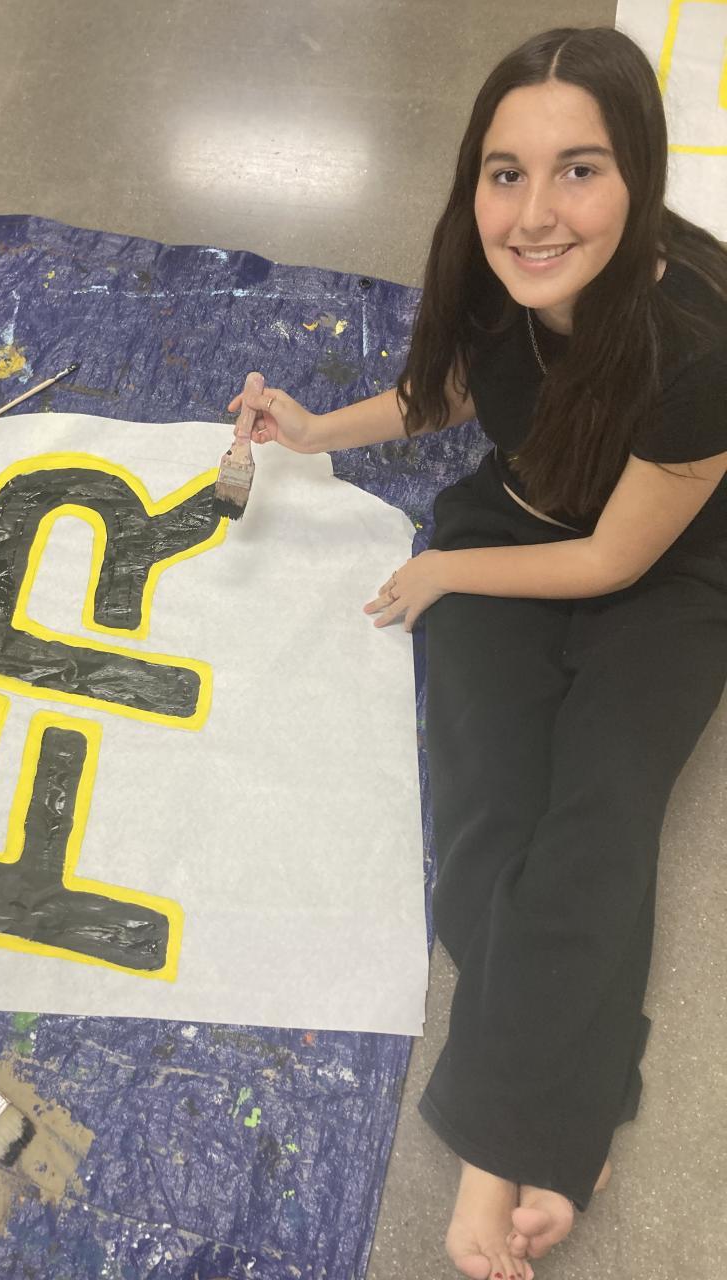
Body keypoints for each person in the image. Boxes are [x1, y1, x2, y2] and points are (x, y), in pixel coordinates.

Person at [227, 25, 727, 1280]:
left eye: (580, 170)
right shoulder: (498, 268)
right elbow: (451, 387)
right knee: (485, 829)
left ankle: (497, 1155)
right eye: (508, 172)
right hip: (518, 517)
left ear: (640, 172)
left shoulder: (703, 343)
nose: (535, 213)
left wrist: (447, 571)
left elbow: (613, 560)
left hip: (668, 573)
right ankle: (572, 1108)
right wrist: (312, 432)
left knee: (599, 820)